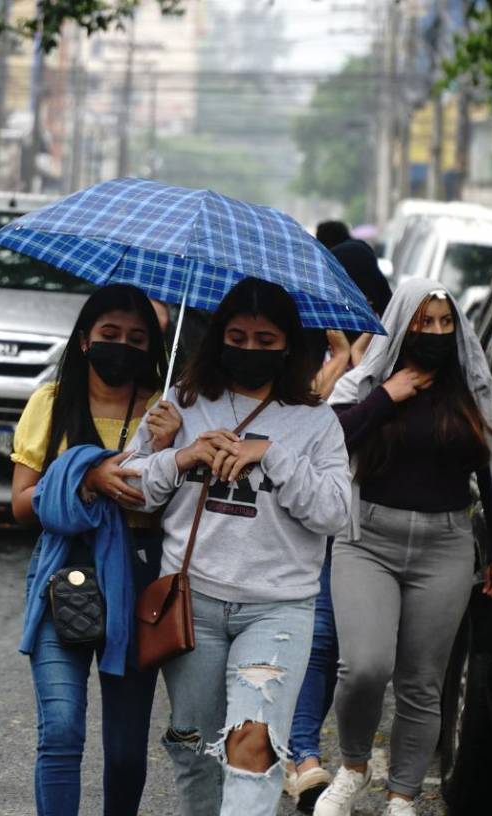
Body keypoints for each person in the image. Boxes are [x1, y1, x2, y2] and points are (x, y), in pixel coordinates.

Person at [124, 277, 352, 816]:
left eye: (265, 341)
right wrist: (174, 454)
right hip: (190, 604)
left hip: (276, 611)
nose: (249, 350)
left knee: (252, 745)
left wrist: (269, 453)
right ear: (218, 336)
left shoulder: (317, 423)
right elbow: (129, 491)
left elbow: (335, 512)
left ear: (290, 346)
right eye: (238, 336)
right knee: (195, 748)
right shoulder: (180, 404)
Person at [314, 278, 492, 816]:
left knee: (422, 683)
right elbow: (327, 441)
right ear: (402, 324)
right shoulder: (367, 382)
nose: (434, 333)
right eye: (423, 322)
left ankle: (403, 796)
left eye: (445, 323)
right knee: (364, 667)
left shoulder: (470, 388)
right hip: (367, 539)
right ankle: (354, 766)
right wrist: (386, 396)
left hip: (445, 545)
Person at [11, 283, 182, 816]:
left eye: (137, 338)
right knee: (60, 730)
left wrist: (172, 450)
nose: (122, 346)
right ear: (85, 339)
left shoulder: (166, 411)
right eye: (110, 334)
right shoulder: (49, 403)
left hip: (136, 584)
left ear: (153, 349)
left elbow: (171, 512)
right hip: (61, 574)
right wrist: (84, 477)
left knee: (127, 751)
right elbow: (20, 503)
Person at [285, 238, 392, 812]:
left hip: (373, 516)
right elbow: (308, 412)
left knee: (350, 650)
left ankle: (318, 752)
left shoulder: (388, 346)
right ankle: (303, 754)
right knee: (323, 636)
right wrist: (334, 354)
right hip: (325, 509)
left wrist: (351, 356)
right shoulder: (314, 339)